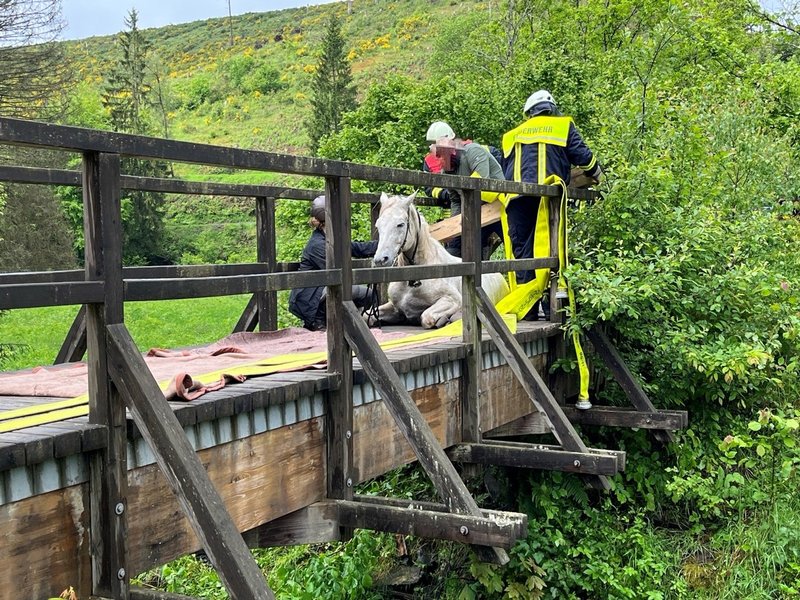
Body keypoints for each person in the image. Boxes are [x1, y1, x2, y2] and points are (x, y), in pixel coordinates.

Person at [502, 90, 602, 288]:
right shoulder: (562, 126)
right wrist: (600, 177)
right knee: (551, 251)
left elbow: (505, 169)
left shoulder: (511, 135)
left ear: (529, 113)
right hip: (549, 199)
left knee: (523, 253)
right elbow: (586, 160)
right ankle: (552, 308)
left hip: (516, 200)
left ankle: (527, 311)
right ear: (552, 109)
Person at [288, 195, 379, 331]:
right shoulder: (317, 245)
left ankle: (349, 323)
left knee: (365, 293)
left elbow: (355, 248)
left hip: (319, 291)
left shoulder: (330, 238)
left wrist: (383, 245)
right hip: (309, 296)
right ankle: (319, 321)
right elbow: (335, 271)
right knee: (365, 293)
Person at [422, 121, 504, 258]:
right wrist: (452, 227)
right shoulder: (447, 172)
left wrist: (462, 219)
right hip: (478, 215)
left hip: (500, 208)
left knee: (515, 245)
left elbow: (479, 183)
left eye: (441, 155)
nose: (439, 160)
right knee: (465, 251)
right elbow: (455, 200)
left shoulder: (473, 151)